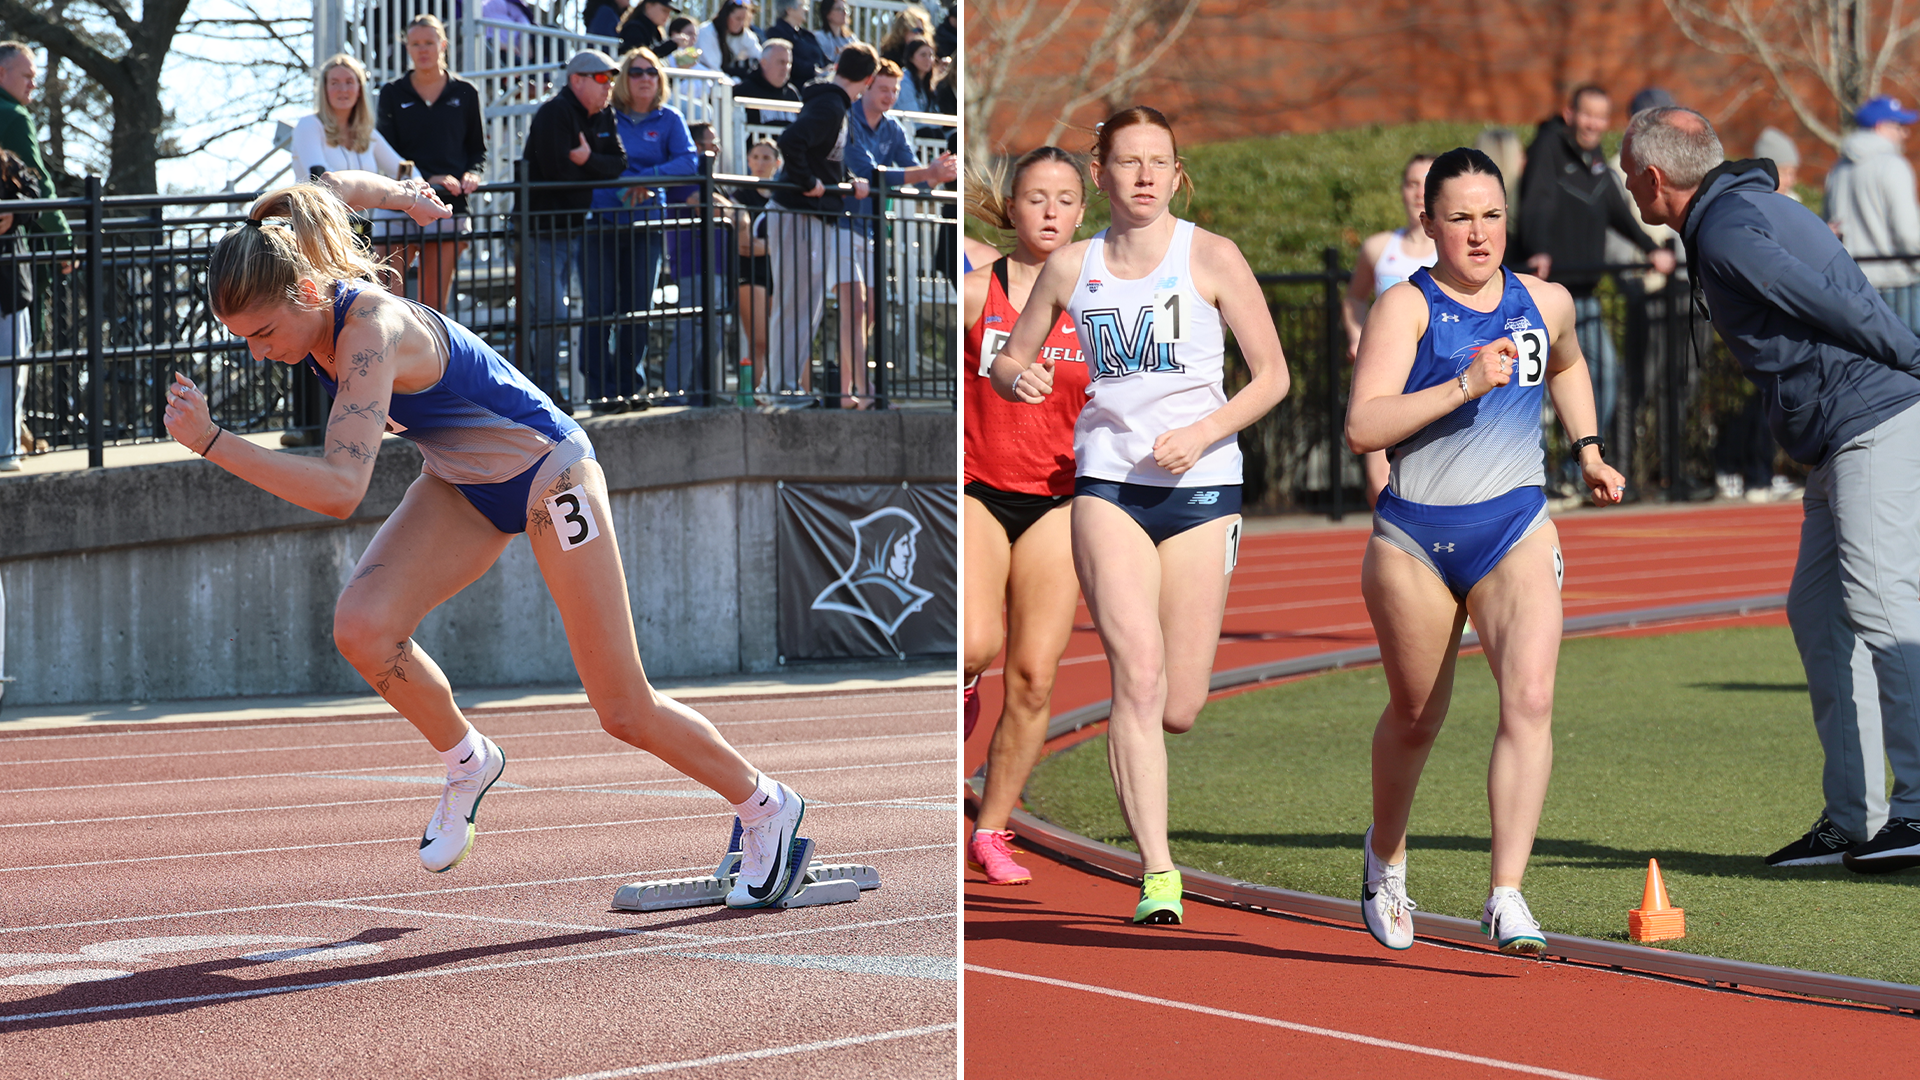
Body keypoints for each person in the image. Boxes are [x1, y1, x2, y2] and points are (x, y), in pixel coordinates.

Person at [162, 171, 815, 909]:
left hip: (549, 477)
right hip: (463, 485)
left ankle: (767, 806)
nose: (256, 354)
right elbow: (326, 187)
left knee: (623, 707)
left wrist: (213, 441)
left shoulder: (370, 331)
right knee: (363, 628)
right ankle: (467, 759)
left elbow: (341, 491)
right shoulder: (300, 277)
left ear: (308, 294)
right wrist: (405, 196)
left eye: (262, 335)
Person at [989, 107, 1291, 925]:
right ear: (1102, 173)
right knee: (1138, 674)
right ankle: (1159, 872)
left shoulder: (1212, 256)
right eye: (1128, 162)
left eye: (1159, 161)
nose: (1145, 176)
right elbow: (1011, 356)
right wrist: (1012, 375)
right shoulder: (1072, 267)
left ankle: (1149, 773)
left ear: (1177, 172)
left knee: (1179, 703)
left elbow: (1271, 378)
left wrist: (1201, 433)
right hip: (1109, 488)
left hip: (1200, 490)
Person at [1622, 106, 1920, 874]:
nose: (1628, 187)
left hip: (1871, 421)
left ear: (1655, 179)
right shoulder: (1749, 207)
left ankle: (1918, 809)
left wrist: (1913, 354)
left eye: (1629, 176)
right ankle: (1855, 820)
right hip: (1837, 438)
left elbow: (1829, 302)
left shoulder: (1725, 229)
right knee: (1819, 614)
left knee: (1883, 604)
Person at [1346, 146, 1626, 956]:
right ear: (1429, 223)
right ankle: (1385, 856)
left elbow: (1567, 362)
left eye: (1492, 215)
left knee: (1530, 699)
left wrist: (1589, 448)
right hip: (1414, 539)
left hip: (1514, 526)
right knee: (1414, 715)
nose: (1479, 233)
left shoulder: (1545, 300)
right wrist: (1464, 384)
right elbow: (1364, 426)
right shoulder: (1408, 307)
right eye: (1460, 217)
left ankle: (1506, 895)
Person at [962, 146, 1090, 887]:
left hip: (1060, 498)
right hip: (981, 484)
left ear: (1081, 210)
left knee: (1037, 677)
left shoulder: (1098, 301)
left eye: (1065, 199)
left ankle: (992, 830)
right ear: (1012, 208)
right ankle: (963, 695)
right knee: (978, 644)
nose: (1049, 212)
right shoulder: (980, 294)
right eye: (1036, 198)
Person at [1517, 85, 1675, 456]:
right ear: (1570, 114)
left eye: (1601, 118)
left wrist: (1651, 250)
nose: (1593, 125)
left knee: (1604, 375)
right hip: (1547, 294)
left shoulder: (1598, 159)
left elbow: (1617, 210)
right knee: (1535, 386)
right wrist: (1538, 249)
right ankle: (1538, 471)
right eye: (1586, 115)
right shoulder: (1548, 148)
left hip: (1583, 296)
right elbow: (1535, 203)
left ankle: (1581, 464)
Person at [837, 57, 958, 407]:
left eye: (895, 90)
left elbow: (916, 179)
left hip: (874, 229)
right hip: (840, 225)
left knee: (870, 311)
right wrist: (926, 173)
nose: (890, 96)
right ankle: (866, 388)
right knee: (856, 308)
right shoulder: (847, 121)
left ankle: (846, 390)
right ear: (868, 85)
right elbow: (870, 172)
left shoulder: (893, 128)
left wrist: (936, 175)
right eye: (883, 88)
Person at [583, 47, 695, 412]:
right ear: (623, 80)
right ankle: (599, 390)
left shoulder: (670, 118)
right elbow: (593, 161)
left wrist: (645, 179)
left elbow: (689, 160)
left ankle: (631, 387)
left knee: (637, 310)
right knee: (600, 309)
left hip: (645, 223)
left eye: (652, 71)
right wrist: (625, 184)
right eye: (636, 71)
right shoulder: (605, 115)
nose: (645, 77)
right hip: (601, 221)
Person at [765, 42, 876, 403]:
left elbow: (824, 156)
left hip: (808, 217)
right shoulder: (831, 104)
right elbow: (791, 141)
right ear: (869, 79)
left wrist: (847, 180)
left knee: (804, 304)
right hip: (798, 214)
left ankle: (778, 386)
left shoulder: (833, 104)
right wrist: (808, 181)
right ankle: (778, 388)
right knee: (796, 303)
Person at [521, 50, 628, 409]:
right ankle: (544, 391)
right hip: (539, 231)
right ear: (576, 80)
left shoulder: (604, 113)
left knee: (551, 315)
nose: (608, 86)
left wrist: (586, 160)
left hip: (569, 230)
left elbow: (619, 164)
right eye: (601, 79)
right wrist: (594, 169)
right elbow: (557, 175)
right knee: (552, 314)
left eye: (611, 79)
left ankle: (541, 391)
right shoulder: (554, 112)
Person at [375, 15, 486, 313]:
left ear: (443, 45)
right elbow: (386, 156)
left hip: (449, 208)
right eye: (415, 44)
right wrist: (429, 179)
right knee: (390, 302)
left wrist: (472, 174)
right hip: (403, 204)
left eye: (429, 42)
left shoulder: (466, 92)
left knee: (434, 306)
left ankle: (432, 359)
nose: (423, 50)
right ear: (407, 48)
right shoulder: (391, 93)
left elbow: (478, 151)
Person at [1342, 153, 1436, 507]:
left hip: (1435, 379)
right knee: (1380, 483)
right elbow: (1354, 299)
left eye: (1426, 183)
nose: (1418, 193)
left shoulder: (1455, 252)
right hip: (1385, 379)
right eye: (1411, 183)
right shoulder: (1379, 248)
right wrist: (1356, 336)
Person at [0, 42, 67, 472]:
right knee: (13, 355)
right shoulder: (12, 116)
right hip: (8, 260)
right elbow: (37, 186)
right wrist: (63, 240)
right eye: (26, 76)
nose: (32, 86)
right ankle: (7, 447)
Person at [1826, 96, 1920, 335]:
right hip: (1896, 287)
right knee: (1910, 365)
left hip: (1850, 288)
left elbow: (1828, 229)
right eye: (1899, 127)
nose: (1905, 134)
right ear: (1880, 127)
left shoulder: (1837, 170)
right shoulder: (1893, 166)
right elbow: (1907, 234)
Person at [661, 121, 735, 404]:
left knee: (713, 333)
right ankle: (675, 394)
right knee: (691, 329)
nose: (715, 149)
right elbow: (714, 205)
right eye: (709, 143)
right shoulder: (684, 174)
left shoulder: (708, 178)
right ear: (694, 146)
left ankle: (704, 393)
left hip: (716, 265)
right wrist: (726, 207)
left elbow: (723, 207)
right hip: (693, 265)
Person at [291, 55, 401, 183]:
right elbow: (320, 180)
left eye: (349, 82)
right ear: (325, 89)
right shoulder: (309, 125)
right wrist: (375, 191)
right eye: (334, 83)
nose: (342, 90)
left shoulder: (367, 133)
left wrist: (418, 184)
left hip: (366, 203)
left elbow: (403, 170)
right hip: (322, 203)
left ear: (359, 89)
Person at [734, 137, 780, 393]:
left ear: (777, 162)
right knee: (759, 341)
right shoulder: (740, 193)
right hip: (750, 273)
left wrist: (768, 246)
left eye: (767, 157)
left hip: (780, 274)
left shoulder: (785, 195)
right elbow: (745, 246)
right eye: (756, 157)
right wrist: (777, 246)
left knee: (782, 340)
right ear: (748, 160)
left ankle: (783, 392)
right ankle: (758, 397)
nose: (761, 163)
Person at [734, 39, 801, 128]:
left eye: (788, 63)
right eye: (781, 62)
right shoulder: (744, 92)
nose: (785, 68)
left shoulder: (792, 94)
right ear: (764, 63)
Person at [765, 0, 829, 88]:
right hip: (799, 87)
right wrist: (813, 71)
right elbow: (787, 62)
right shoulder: (776, 33)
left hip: (820, 84)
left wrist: (831, 67)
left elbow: (823, 58)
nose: (806, 9)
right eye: (802, 5)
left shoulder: (807, 35)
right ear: (789, 9)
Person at [694, 0, 763, 81]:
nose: (741, 23)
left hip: (729, 81)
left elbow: (760, 56)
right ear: (726, 16)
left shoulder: (745, 34)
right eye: (738, 19)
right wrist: (735, 83)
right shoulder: (707, 32)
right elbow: (713, 69)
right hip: (706, 83)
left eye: (744, 19)